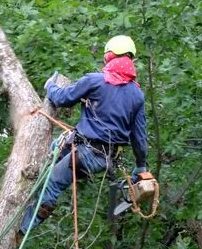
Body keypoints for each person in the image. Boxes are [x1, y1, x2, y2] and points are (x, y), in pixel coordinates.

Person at [21, 35, 148, 232]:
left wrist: (50, 86)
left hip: (86, 154)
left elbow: (63, 98)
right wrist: (141, 166)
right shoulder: (137, 94)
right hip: (101, 157)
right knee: (54, 148)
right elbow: (139, 138)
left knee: (53, 183)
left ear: (109, 57)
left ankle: (21, 229)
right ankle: (29, 191)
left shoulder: (95, 81)